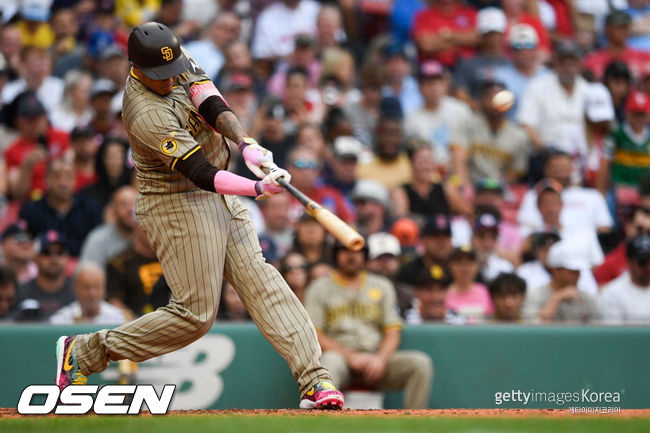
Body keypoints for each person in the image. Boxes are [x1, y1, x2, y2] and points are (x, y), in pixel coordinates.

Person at [54, 23, 344, 410]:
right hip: (177, 201)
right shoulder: (142, 110)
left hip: (220, 188)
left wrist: (247, 143)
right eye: (161, 74)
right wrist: (257, 189)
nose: (171, 77)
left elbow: (210, 101)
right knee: (195, 316)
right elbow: (200, 173)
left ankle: (315, 379)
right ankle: (85, 351)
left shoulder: (172, 57)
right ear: (137, 69)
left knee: (262, 280)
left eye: (173, 68)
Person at [305, 241, 434, 409]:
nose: (351, 256)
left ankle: (416, 426)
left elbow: (393, 330)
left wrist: (380, 359)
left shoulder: (382, 285)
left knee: (420, 363)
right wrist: (351, 356)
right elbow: (315, 334)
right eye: (345, 250)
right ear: (336, 254)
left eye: (357, 251)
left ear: (365, 255)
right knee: (330, 363)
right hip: (340, 359)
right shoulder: (319, 287)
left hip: (375, 360)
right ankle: (323, 426)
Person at [19, 158, 103, 257]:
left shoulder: (91, 208)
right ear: (46, 179)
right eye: (57, 176)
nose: (63, 183)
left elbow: (98, 245)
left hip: (83, 266)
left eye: (68, 177)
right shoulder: (30, 210)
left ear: (75, 180)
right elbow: (22, 244)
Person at [404, 61, 472, 171]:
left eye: (438, 82)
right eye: (428, 83)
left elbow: (472, 143)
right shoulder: (411, 119)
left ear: (445, 84)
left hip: (460, 168)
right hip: (428, 172)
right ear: (420, 88)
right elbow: (413, 155)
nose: (434, 87)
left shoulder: (461, 110)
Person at [522, 240, 601, 323]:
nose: (577, 275)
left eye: (578, 271)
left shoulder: (586, 297)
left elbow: (598, 330)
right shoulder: (535, 295)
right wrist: (556, 298)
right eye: (572, 271)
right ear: (555, 271)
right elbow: (532, 328)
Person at [14, 230, 74, 321]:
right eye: (46, 253)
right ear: (35, 257)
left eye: (59, 252)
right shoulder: (22, 291)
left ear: (67, 257)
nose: (54, 259)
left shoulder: (76, 290)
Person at [50, 261, 126, 325]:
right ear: (75, 288)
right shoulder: (61, 321)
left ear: (104, 288)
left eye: (97, 287)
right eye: (86, 287)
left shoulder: (118, 319)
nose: (92, 294)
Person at [79, 186, 137, 268]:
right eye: (123, 205)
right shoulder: (98, 240)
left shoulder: (150, 239)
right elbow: (88, 276)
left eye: (134, 204)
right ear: (113, 210)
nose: (130, 209)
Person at [600, 235, 650, 324]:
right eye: (642, 263)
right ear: (629, 263)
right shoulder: (613, 293)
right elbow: (615, 335)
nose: (648, 268)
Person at [397, 214, 454, 288]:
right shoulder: (408, 272)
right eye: (435, 237)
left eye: (446, 237)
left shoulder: (457, 270)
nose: (441, 243)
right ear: (423, 240)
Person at [446, 245, 494, 322]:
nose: (465, 268)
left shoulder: (486, 291)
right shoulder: (443, 293)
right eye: (459, 263)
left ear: (477, 266)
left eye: (470, 263)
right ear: (451, 265)